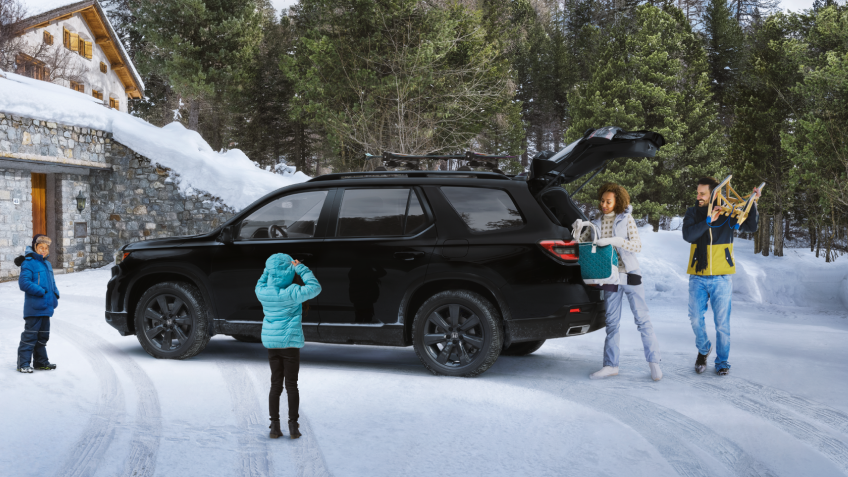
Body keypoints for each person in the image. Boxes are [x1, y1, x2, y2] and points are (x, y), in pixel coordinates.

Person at [581, 183, 662, 381]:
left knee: (642, 320)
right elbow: (582, 242)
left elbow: (637, 246)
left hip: (630, 274)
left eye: (609, 201)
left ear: (618, 201)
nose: (604, 205)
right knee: (611, 323)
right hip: (609, 277)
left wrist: (615, 241)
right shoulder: (596, 222)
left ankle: (654, 363)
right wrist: (579, 228)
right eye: (602, 201)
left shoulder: (626, 219)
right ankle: (610, 365)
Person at [683, 177, 760, 376]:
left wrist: (752, 204)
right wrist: (708, 222)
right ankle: (703, 349)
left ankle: (722, 362)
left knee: (722, 324)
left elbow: (751, 226)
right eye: (697, 193)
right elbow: (688, 235)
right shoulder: (693, 213)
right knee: (694, 319)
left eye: (702, 193)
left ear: (714, 194)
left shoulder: (728, 214)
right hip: (698, 276)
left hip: (722, 277)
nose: (698, 197)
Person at [255, 253, 321, 439]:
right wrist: (299, 267)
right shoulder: (293, 291)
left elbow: (261, 281)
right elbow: (315, 287)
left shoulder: (263, 292)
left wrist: (268, 270)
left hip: (272, 345)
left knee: (275, 384)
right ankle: (293, 426)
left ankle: (274, 426)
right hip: (290, 344)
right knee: (292, 385)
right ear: (289, 270)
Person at [16, 234, 59, 373]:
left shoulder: (47, 263)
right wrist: (41, 291)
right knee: (30, 337)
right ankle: (23, 364)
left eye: (46, 248)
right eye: (41, 247)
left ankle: (41, 362)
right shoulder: (28, 262)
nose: (44, 250)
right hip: (34, 307)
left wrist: (55, 294)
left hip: (46, 307)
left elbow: (52, 283)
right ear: (35, 247)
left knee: (43, 337)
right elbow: (24, 283)